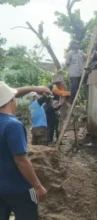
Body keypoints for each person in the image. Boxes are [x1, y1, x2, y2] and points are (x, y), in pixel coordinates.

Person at [0, 81, 47, 219]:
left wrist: (35, 88)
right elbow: (21, 160)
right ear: (12, 100)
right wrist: (38, 186)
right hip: (19, 189)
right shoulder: (12, 125)